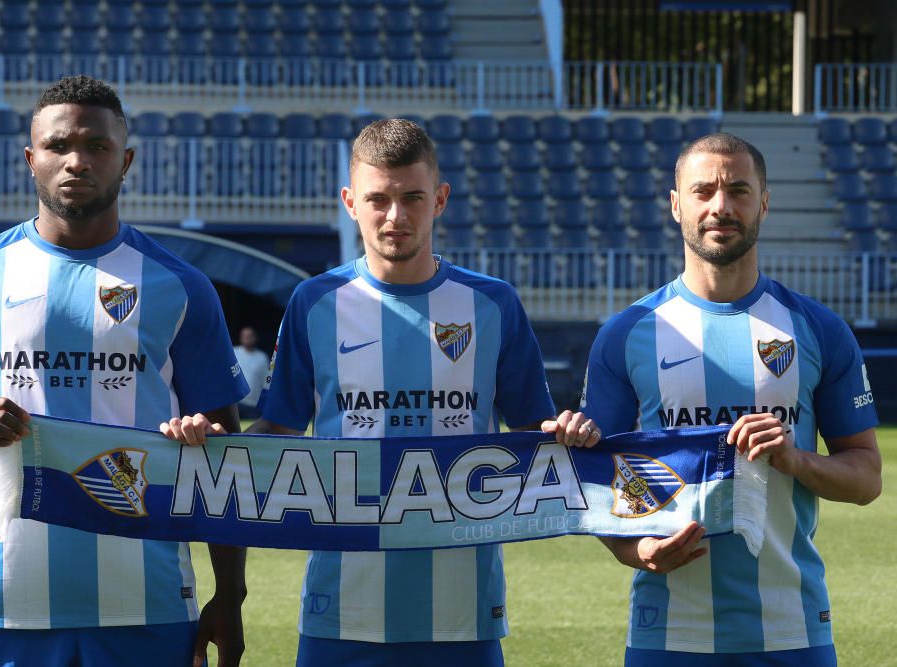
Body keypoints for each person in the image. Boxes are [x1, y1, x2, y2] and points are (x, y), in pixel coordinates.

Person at [167, 118, 597, 666]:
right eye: (378, 199)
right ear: (350, 202)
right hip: (341, 611)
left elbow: (534, 432)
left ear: (439, 199)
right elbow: (278, 431)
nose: (396, 216)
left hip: (463, 613)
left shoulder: (493, 304)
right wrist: (213, 443)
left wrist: (568, 429)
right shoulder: (314, 302)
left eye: (412, 197)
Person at [0, 75, 250, 667]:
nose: (77, 161)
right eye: (58, 145)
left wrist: (230, 594)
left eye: (97, 146)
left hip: (149, 603)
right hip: (4, 604)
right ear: (30, 159)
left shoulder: (181, 287)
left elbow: (224, 453)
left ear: (126, 160)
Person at [542, 132, 882, 666]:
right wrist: (636, 550)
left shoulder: (818, 329)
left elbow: (866, 478)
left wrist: (797, 460)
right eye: (703, 191)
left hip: (791, 629)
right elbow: (595, 481)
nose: (720, 205)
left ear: (764, 203)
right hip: (669, 633)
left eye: (738, 190)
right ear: (676, 204)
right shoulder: (628, 334)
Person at [233, 326, 270, 420]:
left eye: (250, 336)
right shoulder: (233, 352)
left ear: (255, 338)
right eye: (245, 336)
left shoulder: (262, 357)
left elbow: (267, 382)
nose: (247, 338)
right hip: (234, 404)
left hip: (253, 405)